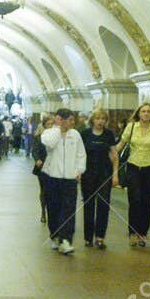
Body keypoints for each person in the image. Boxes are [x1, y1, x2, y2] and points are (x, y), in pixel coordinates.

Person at [115, 101, 150, 247]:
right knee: (135, 200)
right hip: (133, 167)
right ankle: (132, 233)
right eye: (143, 111)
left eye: (149, 111)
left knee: (147, 201)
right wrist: (110, 154)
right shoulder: (131, 127)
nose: (146, 114)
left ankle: (143, 233)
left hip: (149, 169)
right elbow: (121, 144)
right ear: (138, 113)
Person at [39, 108, 87, 254]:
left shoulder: (75, 135)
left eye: (73, 120)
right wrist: (58, 128)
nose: (73, 123)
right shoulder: (49, 133)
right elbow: (50, 144)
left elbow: (81, 154)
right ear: (60, 119)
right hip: (52, 177)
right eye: (70, 120)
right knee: (53, 208)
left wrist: (79, 170)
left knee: (69, 210)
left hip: (70, 179)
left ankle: (66, 240)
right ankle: (55, 235)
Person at [79, 108, 118, 249]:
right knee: (89, 205)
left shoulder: (109, 134)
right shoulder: (85, 134)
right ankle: (88, 237)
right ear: (92, 120)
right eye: (97, 118)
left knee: (103, 205)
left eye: (103, 118)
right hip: (88, 174)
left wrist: (115, 174)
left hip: (104, 174)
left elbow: (114, 155)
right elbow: (80, 154)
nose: (100, 121)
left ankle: (100, 237)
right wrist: (78, 171)